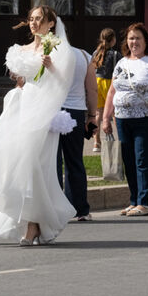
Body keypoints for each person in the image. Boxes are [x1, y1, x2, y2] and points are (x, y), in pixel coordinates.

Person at [0, 6, 77, 245]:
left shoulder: (58, 49)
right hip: (21, 108)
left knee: (34, 166)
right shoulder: (20, 50)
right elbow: (20, 79)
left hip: (43, 112)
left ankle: (34, 224)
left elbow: (63, 83)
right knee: (14, 166)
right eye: (32, 19)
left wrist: (51, 67)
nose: (34, 23)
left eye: (39, 19)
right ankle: (32, 223)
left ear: (51, 24)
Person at [102, 23, 148, 216]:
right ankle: (134, 200)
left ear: (145, 41)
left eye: (138, 38)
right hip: (122, 119)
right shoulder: (122, 62)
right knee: (129, 160)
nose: (134, 42)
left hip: (145, 119)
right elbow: (112, 91)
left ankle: (144, 202)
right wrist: (106, 118)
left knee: (143, 159)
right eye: (131, 38)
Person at [57, 43, 99, 221]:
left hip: (52, 109)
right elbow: (92, 89)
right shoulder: (83, 55)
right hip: (75, 111)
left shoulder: (48, 53)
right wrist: (91, 115)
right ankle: (80, 208)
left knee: (54, 162)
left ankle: (56, 207)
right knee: (74, 161)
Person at [91, 28, 119, 152]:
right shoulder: (115, 54)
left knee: (98, 113)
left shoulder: (95, 53)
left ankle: (96, 142)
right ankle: (120, 140)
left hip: (97, 82)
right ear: (113, 40)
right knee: (114, 113)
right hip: (109, 83)